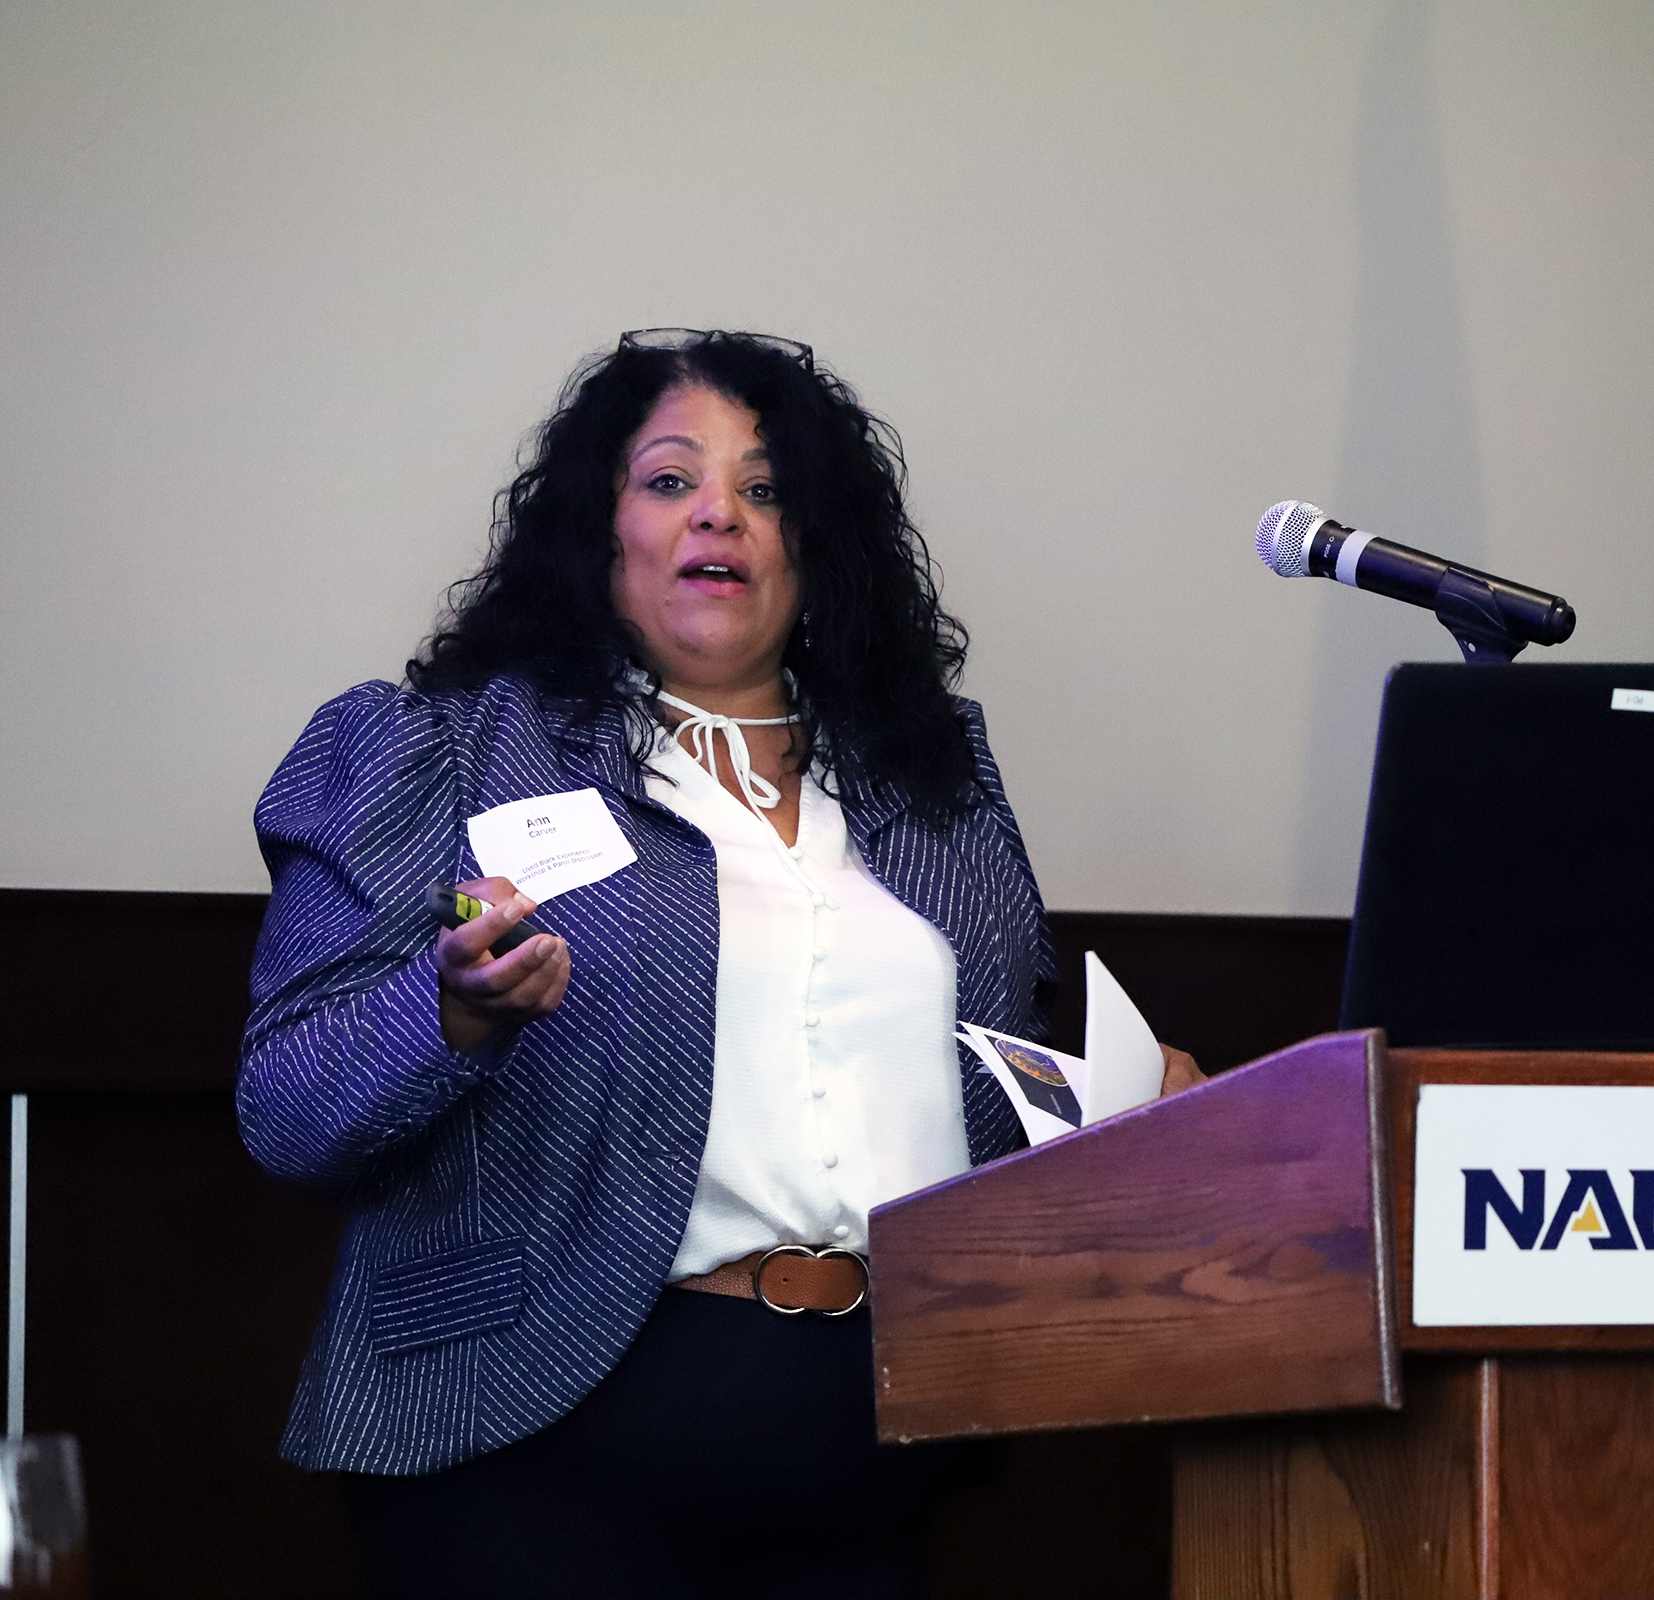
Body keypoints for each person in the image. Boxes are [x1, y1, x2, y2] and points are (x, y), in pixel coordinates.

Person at [237, 329, 1199, 1599]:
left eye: (766, 487)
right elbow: (287, 1104)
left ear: (816, 543)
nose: (723, 517)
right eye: (673, 480)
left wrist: (1135, 1124)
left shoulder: (930, 781)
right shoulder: (447, 750)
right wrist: (453, 1013)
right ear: (602, 528)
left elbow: (978, 1083)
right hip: (530, 1456)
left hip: (880, 1447)